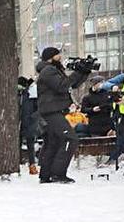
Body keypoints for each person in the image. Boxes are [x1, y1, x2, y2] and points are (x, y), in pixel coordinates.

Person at [35, 47, 90, 184]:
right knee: (70, 139)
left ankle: (46, 175)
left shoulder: (53, 70)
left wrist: (84, 71)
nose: (61, 57)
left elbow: (73, 84)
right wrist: (77, 72)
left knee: (54, 142)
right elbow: (62, 86)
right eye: (58, 55)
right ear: (51, 57)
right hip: (52, 111)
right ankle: (58, 174)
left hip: (54, 110)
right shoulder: (48, 71)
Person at [18, 76, 40, 175]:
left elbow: (38, 108)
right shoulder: (21, 94)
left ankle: (32, 164)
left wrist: (33, 117)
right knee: (18, 143)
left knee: (30, 144)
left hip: (29, 122)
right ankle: (19, 163)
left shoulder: (31, 94)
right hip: (20, 122)